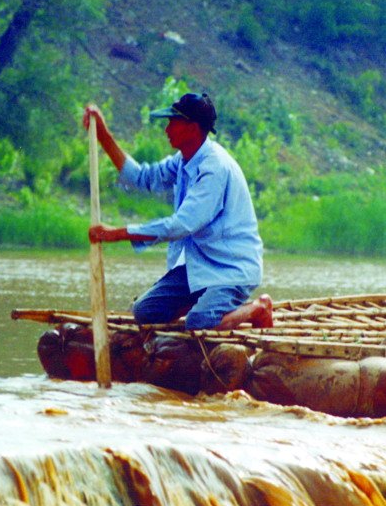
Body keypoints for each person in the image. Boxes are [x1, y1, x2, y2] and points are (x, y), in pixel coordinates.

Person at [83, 93, 273, 330]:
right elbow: (142, 177)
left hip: (231, 268)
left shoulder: (213, 168)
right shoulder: (183, 160)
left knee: (199, 323)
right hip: (200, 265)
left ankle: (258, 308)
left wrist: (119, 233)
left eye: (173, 122)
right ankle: (205, 305)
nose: (167, 129)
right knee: (145, 312)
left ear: (192, 129)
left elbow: (181, 225)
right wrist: (102, 134)